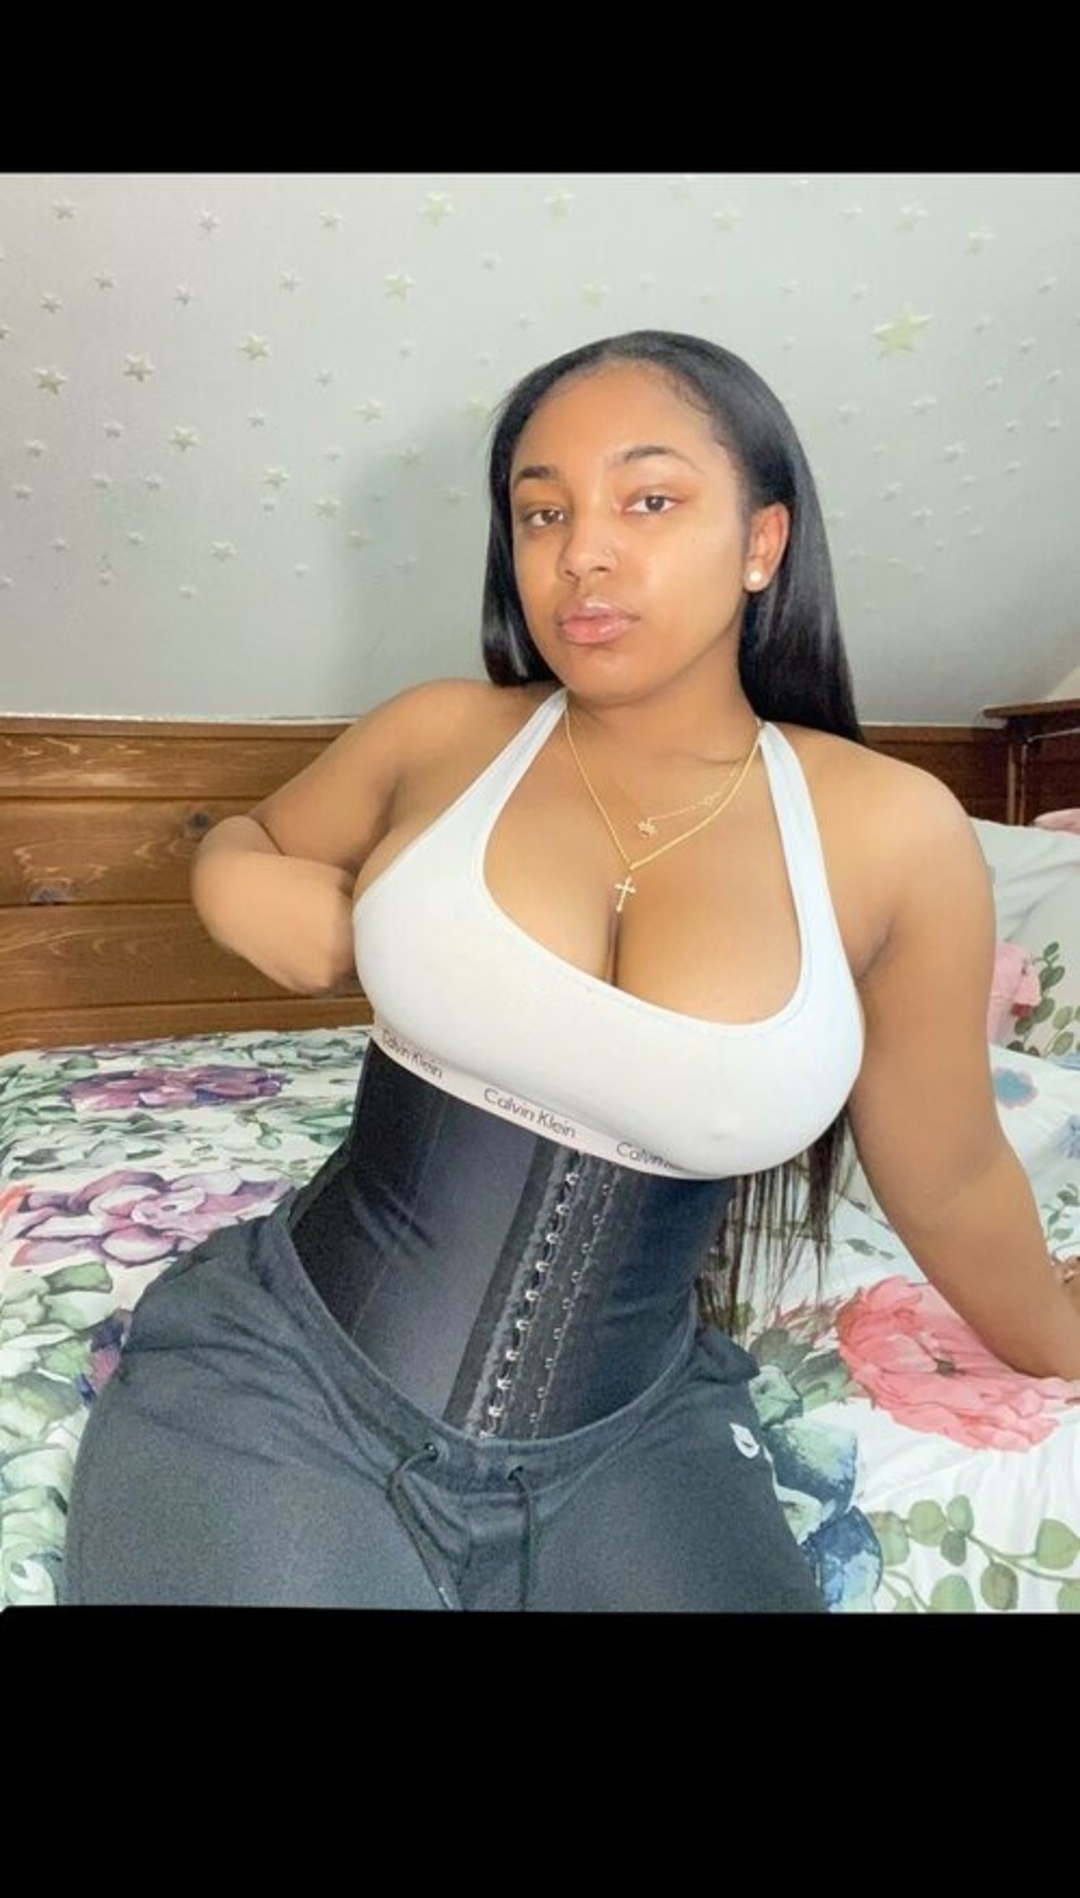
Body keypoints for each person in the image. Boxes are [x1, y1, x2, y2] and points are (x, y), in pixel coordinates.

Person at [63, 329, 1080, 1610]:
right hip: (286, 1376)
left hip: (638, 1442)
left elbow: (952, 1169)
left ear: (763, 541)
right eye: (542, 511)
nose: (581, 552)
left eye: (649, 500)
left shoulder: (896, 831)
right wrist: (232, 881)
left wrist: (1058, 1334)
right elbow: (248, 837)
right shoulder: (441, 733)